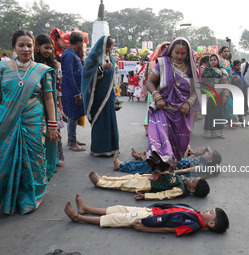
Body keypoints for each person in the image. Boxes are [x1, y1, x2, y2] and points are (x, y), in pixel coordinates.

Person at [0, 30, 59, 215]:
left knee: (34, 160)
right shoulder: (3, 68)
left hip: (33, 121)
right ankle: (10, 196)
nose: (25, 49)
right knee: (6, 160)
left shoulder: (41, 70)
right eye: (21, 45)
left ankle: (30, 197)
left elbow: (49, 99)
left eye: (29, 45)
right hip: (7, 121)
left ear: (34, 48)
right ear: (13, 48)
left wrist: (52, 124)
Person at [146, 37, 200, 178]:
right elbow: (150, 82)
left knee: (179, 144)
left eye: (183, 54)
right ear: (170, 52)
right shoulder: (163, 64)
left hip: (181, 112)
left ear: (188, 54)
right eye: (176, 53)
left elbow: (196, 91)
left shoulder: (192, 69)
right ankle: (156, 169)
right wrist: (157, 97)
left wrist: (189, 102)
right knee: (158, 140)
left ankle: (171, 171)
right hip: (163, 109)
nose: (179, 56)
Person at [64, 194, 229, 235]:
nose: (208, 210)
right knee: (119, 208)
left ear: (211, 224)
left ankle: (78, 218)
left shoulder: (193, 225)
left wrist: (145, 228)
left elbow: (169, 230)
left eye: (211, 213)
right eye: (211, 209)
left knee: (116, 219)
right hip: (151, 211)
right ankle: (87, 209)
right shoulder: (196, 213)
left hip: (148, 219)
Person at [81, 36, 119, 157]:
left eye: (110, 47)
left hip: (109, 95)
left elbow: (112, 78)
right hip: (97, 96)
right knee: (100, 121)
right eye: (107, 47)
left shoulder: (112, 59)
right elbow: (86, 74)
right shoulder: (93, 58)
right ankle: (99, 148)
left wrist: (115, 95)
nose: (108, 49)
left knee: (110, 120)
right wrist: (101, 68)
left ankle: (111, 148)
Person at [35, 34, 65, 167]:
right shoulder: (33, 64)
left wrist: (59, 103)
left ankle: (56, 156)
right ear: (37, 47)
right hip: (36, 103)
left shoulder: (54, 64)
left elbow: (58, 87)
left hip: (51, 100)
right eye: (46, 47)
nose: (48, 51)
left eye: (51, 48)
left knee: (54, 129)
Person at [88, 170, 210, 200]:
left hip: (148, 185)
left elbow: (163, 195)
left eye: (194, 181)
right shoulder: (184, 180)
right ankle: (105, 178)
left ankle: (100, 183)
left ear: (192, 190)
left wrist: (146, 196)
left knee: (124, 184)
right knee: (126, 177)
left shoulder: (181, 190)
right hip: (150, 177)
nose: (192, 179)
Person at [114, 148, 222, 178]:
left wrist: (170, 173)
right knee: (149, 163)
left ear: (210, 160)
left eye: (209, 153)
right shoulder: (201, 160)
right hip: (173, 162)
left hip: (172, 166)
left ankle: (121, 166)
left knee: (147, 167)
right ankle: (123, 164)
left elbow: (185, 170)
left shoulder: (201, 167)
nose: (206, 152)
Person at [61, 32, 86, 152]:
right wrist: (76, 94)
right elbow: (69, 75)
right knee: (72, 115)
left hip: (76, 89)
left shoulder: (75, 54)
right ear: (78, 43)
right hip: (71, 91)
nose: (84, 45)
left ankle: (73, 139)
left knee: (75, 115)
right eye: (83, 42)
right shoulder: (69, 54)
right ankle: (72, 142)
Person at [144, 42, 171, 136]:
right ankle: (152, 130)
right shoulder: (153, 62)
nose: (165, 50)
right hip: (154, 90)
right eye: (163, 48)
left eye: (168, 48)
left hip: (168, 91)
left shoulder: (173, 62)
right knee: (153, 109)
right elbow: (149, 79)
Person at [202, 54, 229, 138]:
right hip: (208, 95)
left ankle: (219, 133)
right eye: (211, 60)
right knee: (209, 113)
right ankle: (209, 132)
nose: (213, 62)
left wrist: (226, 95)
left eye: (215, 60)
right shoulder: (207, 71)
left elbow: (225, 84)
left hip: (218, 94)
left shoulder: (222, 71)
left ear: (218, 61)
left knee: (218, 113)